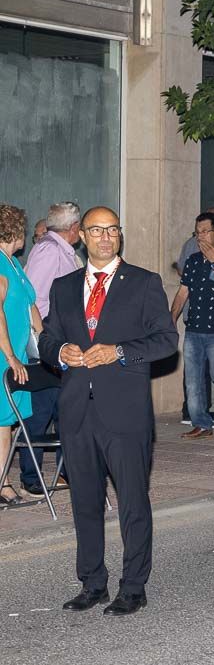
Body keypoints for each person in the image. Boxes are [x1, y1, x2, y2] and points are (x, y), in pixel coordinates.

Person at [41, 207, 178, 615]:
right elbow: (47, 339)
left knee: (133, 501)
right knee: (84, 501)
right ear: (81, 235)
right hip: (77, 411)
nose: (105, 237)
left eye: (113, 229)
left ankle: (133, 586)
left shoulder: (143, 283)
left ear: (120, 235)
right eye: (97, 230)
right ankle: (92, 582)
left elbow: (166, 341)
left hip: (125, 413)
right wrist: (61, 352)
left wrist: (118, 352)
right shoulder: (63, 287)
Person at [18, 200, 81, 496]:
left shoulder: (61, 251)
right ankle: (31, 477)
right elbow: (34, 298)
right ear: (74, 228)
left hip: (63, 345)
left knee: (65, 410)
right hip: (50, 345)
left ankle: (64, 473)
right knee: (42, 412)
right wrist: (47, 340)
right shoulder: (49, 251)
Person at [171, 212, 214, 439]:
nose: (200, 237)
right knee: (193, 379)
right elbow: (182, 293)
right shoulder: (192, 260)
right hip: (193, 330)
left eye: (204, 232)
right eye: (197, 232)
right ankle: (201, 423)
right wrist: (170, 320)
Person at [0, 205, 40, 506]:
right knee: (2, 423)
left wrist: (47, 342)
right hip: (4, 355)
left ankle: (2, 481)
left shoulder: (14, 262)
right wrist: (11, 356)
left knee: (7, 423)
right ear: (14, 230)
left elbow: (29, 306)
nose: (25, 235)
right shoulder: (1, 265)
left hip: (19, 355)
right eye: (22, 229)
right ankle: (3, 484)